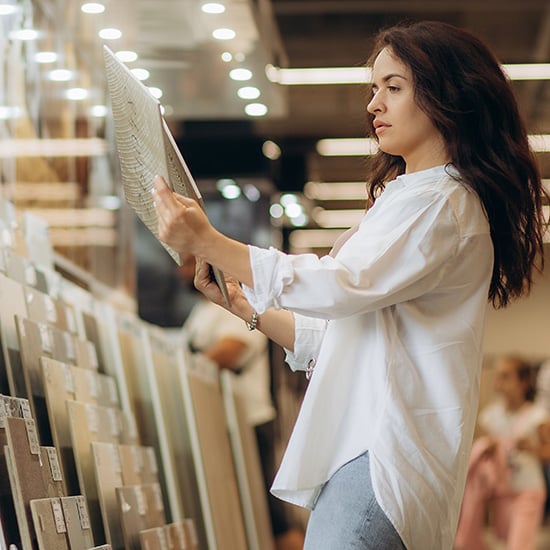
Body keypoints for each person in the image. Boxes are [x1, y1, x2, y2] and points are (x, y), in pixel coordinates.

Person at [152, 20, 547, 550]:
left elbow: (342, 285)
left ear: (446, 97)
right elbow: (334, 331)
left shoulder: (442, 200)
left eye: (394, 86)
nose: (374, 105)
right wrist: (242, 306)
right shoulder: (415, 197)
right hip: (365, 462)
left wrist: (214, 242)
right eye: (373, 88)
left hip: (380, 463)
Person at [177, 253, 305, 550]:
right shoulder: (201, 312)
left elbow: (234, 347)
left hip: (248, 421)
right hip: (220, 424)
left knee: (270, 512)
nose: (182, 273)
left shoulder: (233, 305)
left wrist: (189, 369)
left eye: (187, 265)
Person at [454, 355, 550, 550]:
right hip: (502, 491)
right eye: (498, 377)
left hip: (528, 491)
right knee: (504, 543)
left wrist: (532, 448)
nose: (499, 382)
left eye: (506, 376)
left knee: (519, 546)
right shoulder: (490, 416)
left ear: (524, 382)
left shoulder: (538, 415)